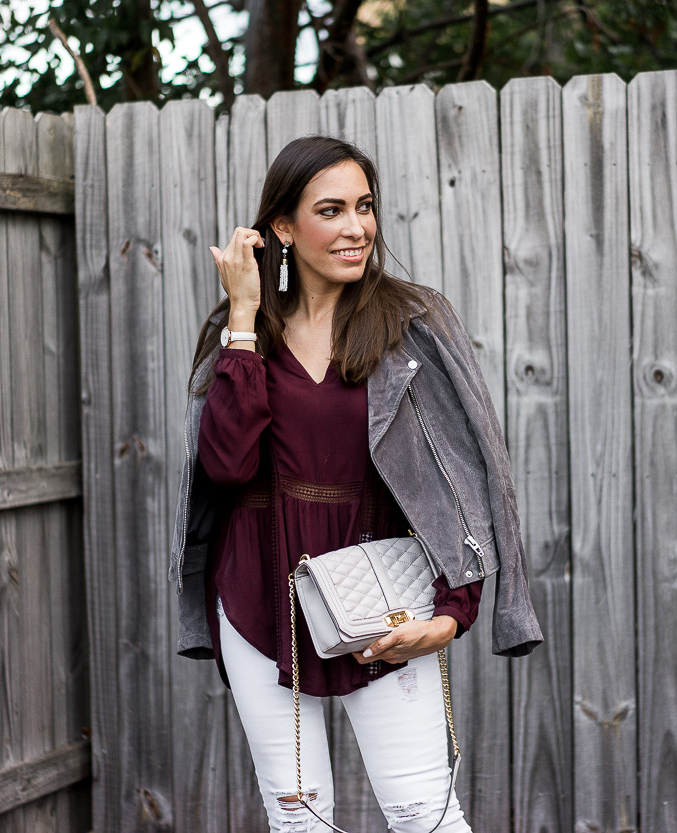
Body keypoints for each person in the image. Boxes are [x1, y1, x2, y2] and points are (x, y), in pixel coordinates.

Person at [169, 135, 542, 832]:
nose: (355, 228)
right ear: (283, 226)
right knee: (300, 820)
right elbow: (224, 466)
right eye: (332, 209)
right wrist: (244, 319)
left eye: (364, 208)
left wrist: (452, 609)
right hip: (258, 593)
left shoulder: (412, 323)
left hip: (384, 598)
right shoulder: (242, 331)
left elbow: (470, 468)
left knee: (425, 815)